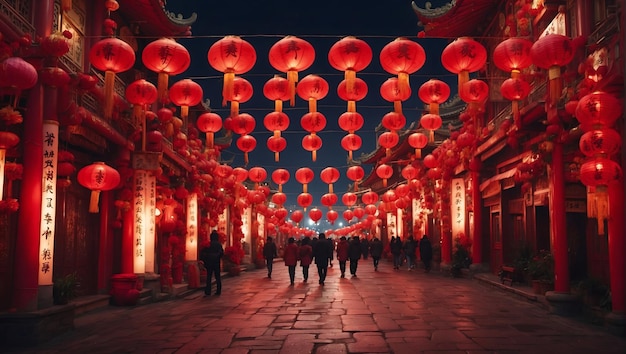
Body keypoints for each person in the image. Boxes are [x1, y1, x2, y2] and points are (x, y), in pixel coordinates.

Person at [199, 230, 224, 296]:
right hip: (216, 262)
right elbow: (221, 253)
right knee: (217, 277)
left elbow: (204, 253)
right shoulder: (219, 244)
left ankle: (208, 291)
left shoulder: (209, 244)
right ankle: (218, 290)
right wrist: (218, 257)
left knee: (209, 277)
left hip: (209, 262)